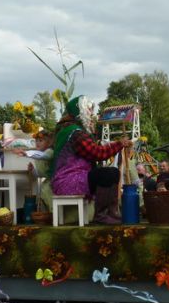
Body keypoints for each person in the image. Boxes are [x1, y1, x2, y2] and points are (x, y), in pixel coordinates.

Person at [49, 96, 132, 225]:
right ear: (79, 113)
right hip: (68, 181)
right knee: (109, 174)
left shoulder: (66, 130)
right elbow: (97, 153)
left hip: (66, 180)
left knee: (111, 173)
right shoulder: (75, 133)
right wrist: (119, 144)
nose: (91, 114)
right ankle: (101, 215)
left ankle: (109, 213)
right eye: (88, 111)